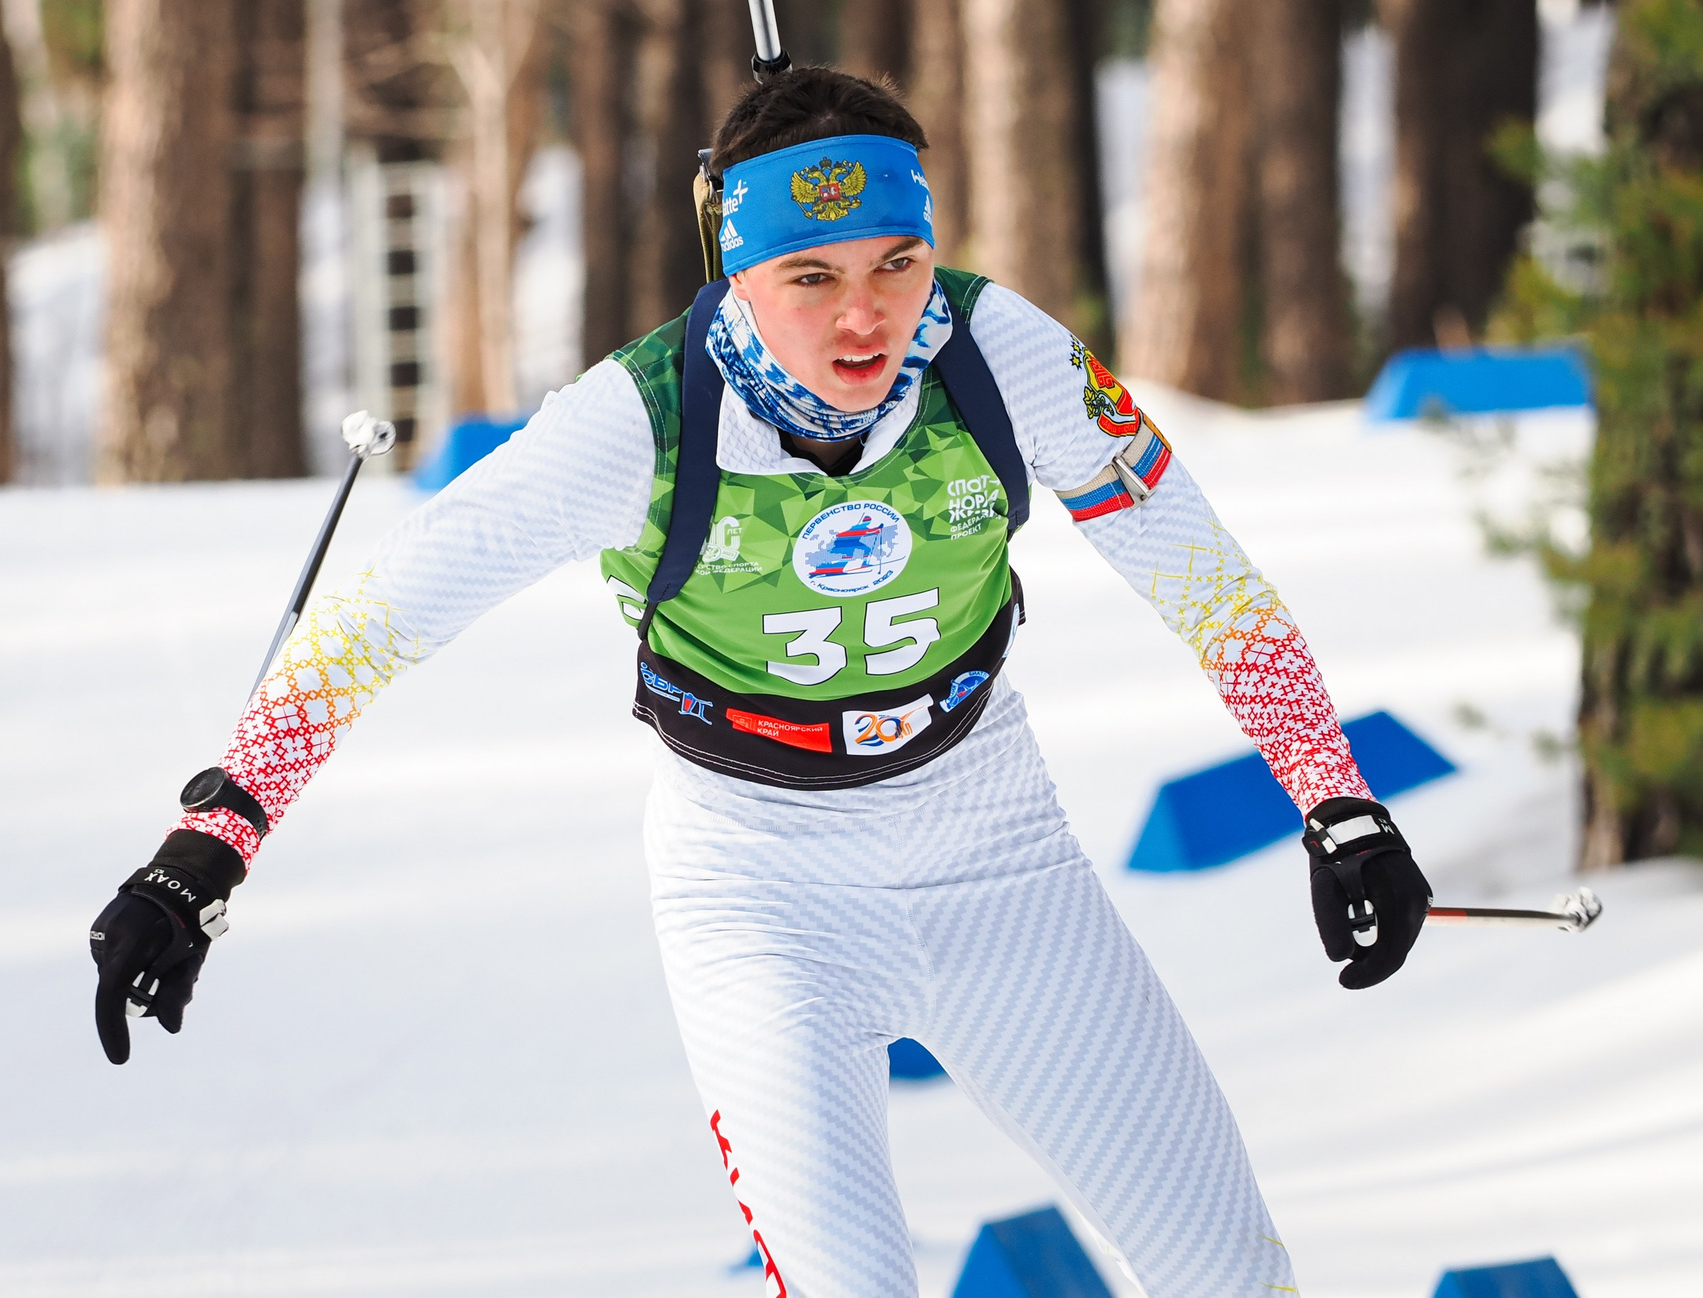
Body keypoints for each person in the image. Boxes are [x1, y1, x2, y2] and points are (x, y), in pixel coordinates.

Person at [89, 67, 1433, 1297]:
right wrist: (208, 846)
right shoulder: (641, 420)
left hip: (997, 853)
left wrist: (1341, 804)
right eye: (809, 274)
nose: (867, 314)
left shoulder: (1000, 356)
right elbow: (381, 615)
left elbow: (1208, 580)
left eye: (897, 261)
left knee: (1233, 1276)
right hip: (760, 888)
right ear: (737, 271)